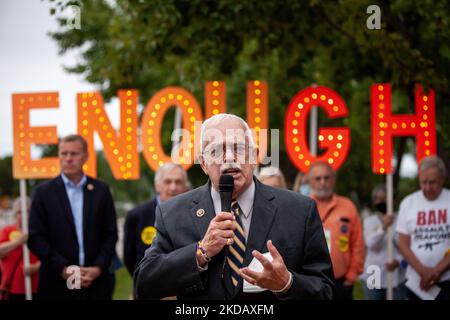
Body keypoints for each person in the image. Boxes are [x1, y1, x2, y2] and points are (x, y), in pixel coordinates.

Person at [134, 113, 334, 300]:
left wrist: (287, 284)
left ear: (254, 156)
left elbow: (326, 291)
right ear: (203, 163)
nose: (229, 157)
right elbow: (144, 285)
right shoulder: (172, 213)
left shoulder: (299, 210)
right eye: (216, 150)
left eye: (238, 148)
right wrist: (200, 252)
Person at [28, 134, 118, 300]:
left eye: (74, 154)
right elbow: (36, 237)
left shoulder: (101, 190)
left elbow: (110, 233)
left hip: (96, 283)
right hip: (57, 283)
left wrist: (98, 267)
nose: (68, 158)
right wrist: (63, 268)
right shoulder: (43, 193)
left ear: (85, 156)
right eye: (64, 153)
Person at [308, 161, 365, 300]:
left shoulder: (347, 206)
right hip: (310, 281)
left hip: (341, 282)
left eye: (326, 178)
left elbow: (358, 243)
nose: (322, 182)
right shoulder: (301, 205)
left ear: (333, 180)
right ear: (310, 181)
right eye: (318, 178)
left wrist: (351, 276)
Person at [396, 155, 450, 300]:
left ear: (442, 179)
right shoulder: (408, 203)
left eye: (432, 182)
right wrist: (423, 271)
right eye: (423, 182)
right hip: (416, 282)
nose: (427, 188)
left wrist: (436, 271)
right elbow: (403, 243)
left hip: (446, 280)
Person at [123, 163, 189, 276]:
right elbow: (129, 257)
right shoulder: (137, 215)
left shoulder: (194, 213)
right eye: (168, 182)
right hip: (149, 287)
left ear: (185, 187)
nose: (173, 187)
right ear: (157, 185)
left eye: (178, 182)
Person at [360, 185, 406, 300]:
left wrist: (399, 260)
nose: (381, 202)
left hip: (397, 274)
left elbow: (407, 245)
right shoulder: (369, 221)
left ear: (393, 200)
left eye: (385, 198)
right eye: (378, 199)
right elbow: (371, 244)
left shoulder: (402, 219)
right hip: (373, 273)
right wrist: (383, 227)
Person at [0, 198, 40, 300]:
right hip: (12, 289)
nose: (24, 215)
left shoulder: (39, 232)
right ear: (14, 215)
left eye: (27, 211)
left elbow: (49, 256)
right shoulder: (7, 231)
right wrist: (18, 241)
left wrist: (36, 267)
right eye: (19, 212)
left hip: (36, 288)